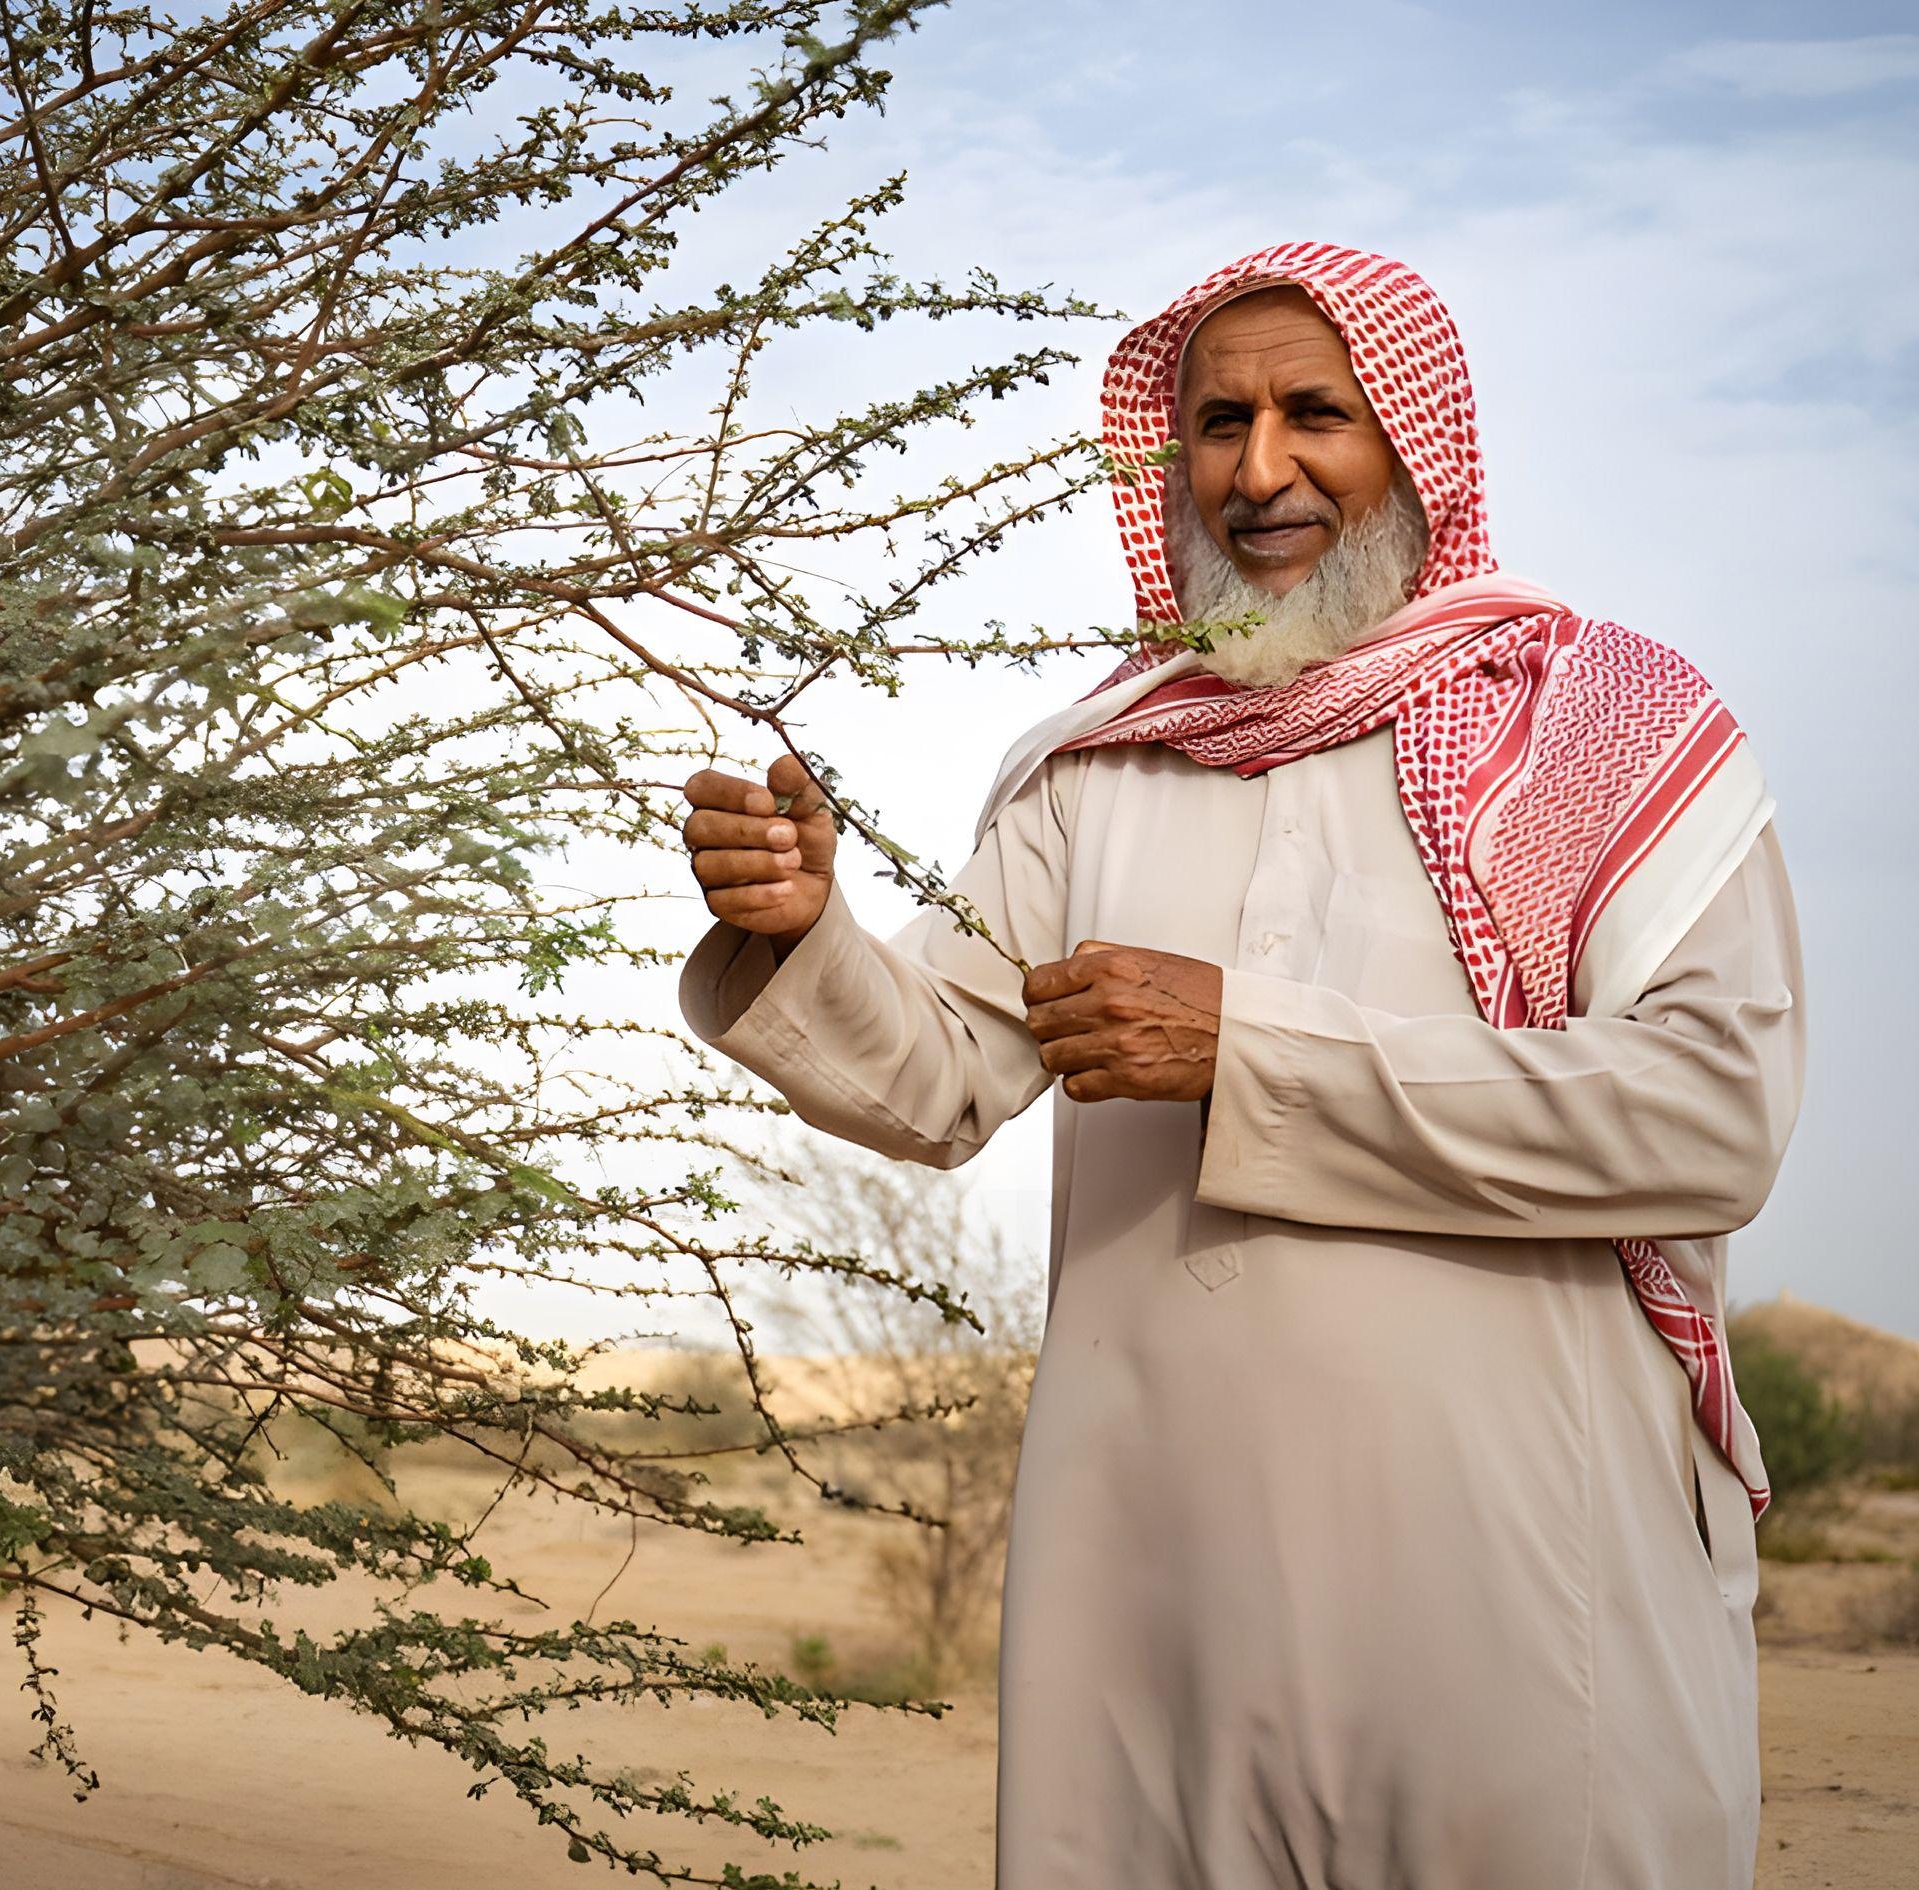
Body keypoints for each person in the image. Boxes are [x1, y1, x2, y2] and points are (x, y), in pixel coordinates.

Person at [673, 241, 1805, 1888]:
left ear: (1416, 438)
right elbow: (933, 1075)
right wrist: (805, 928)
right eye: (1216, 423)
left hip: (1514, 1615)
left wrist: (1249, 1049)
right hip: (1158, 1623)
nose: (1258, 470)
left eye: (1311, 413)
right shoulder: (1095, 764)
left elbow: (1714, 1114)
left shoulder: (1603, 724)